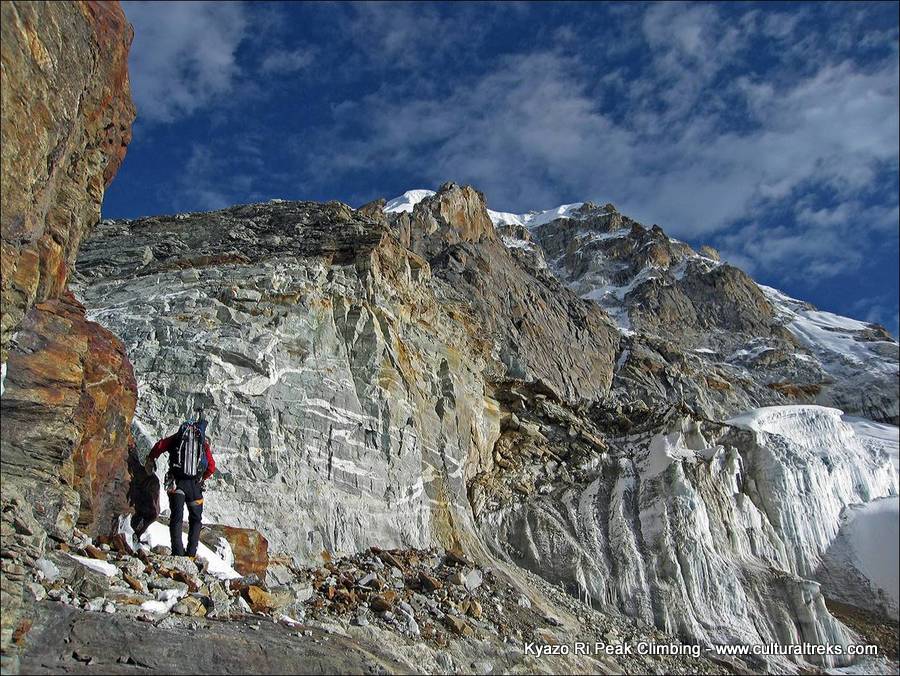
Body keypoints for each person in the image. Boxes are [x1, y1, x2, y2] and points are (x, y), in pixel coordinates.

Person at [145, 410, 216, 557]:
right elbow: (211, 467)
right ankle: (191, 554)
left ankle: (177, 552)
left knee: (176, 518)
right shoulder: (203, 444)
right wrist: (202, 478)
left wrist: (151, 459)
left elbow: (160, 445)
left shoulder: (178, 437)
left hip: (177, 484)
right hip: (195, 487)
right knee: (196, 520)